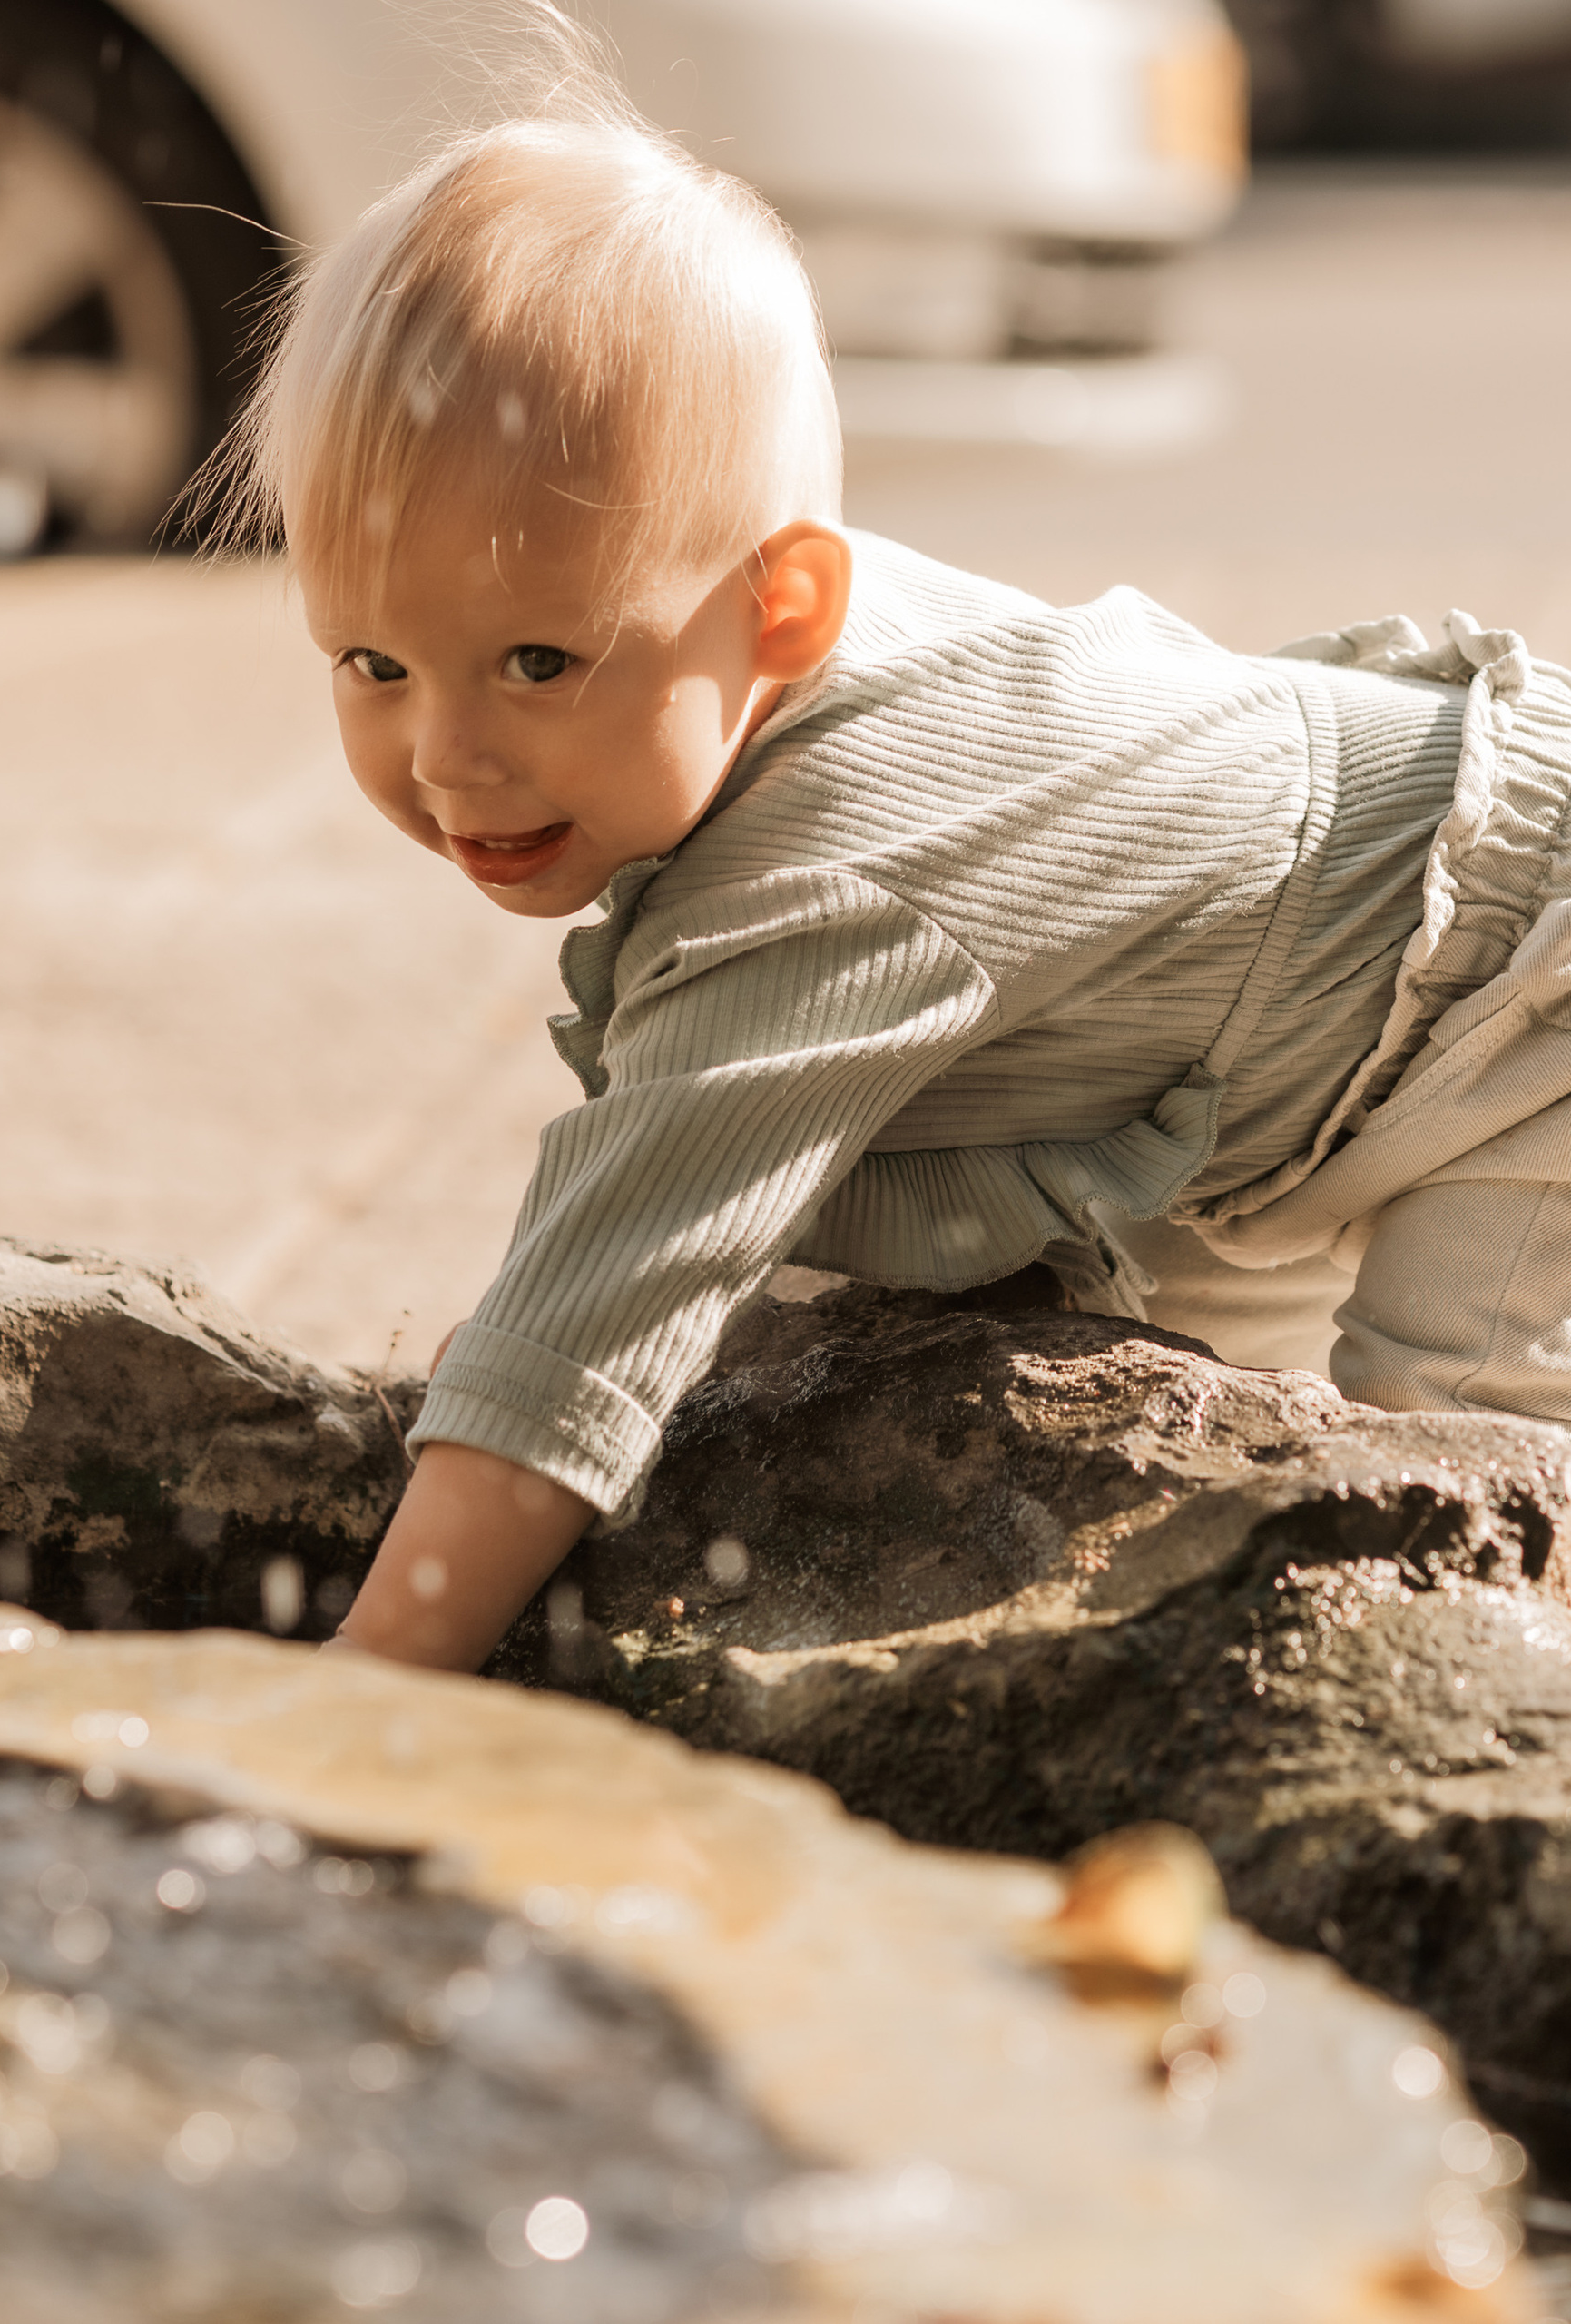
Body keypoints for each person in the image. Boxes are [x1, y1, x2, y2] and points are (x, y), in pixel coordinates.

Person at [201, 90, 1571, 1673]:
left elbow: (619, 1275)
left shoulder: (827, 886)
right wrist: (541, 1365)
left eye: (536, 660)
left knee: (1463, 1519)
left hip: (1517, 1005)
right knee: (1220, 1451)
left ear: (784, 605)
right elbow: (697, 1222)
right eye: (372, 661)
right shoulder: (770, 661)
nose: (447, 754)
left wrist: (366, 1683)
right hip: (1299, 1035)